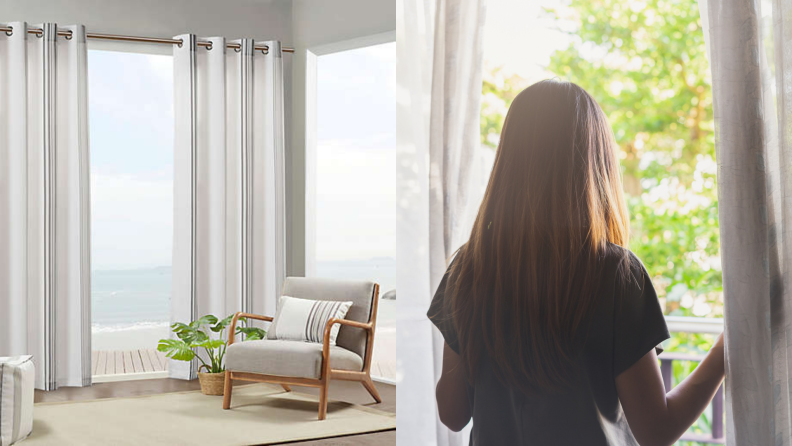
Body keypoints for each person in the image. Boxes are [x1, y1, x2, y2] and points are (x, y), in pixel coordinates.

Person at [428, 79, 725, 446]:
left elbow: (452, 413)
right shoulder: (615, 275)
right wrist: (724, 351)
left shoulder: (469, 269)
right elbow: (656, 431)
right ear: (594, 163)